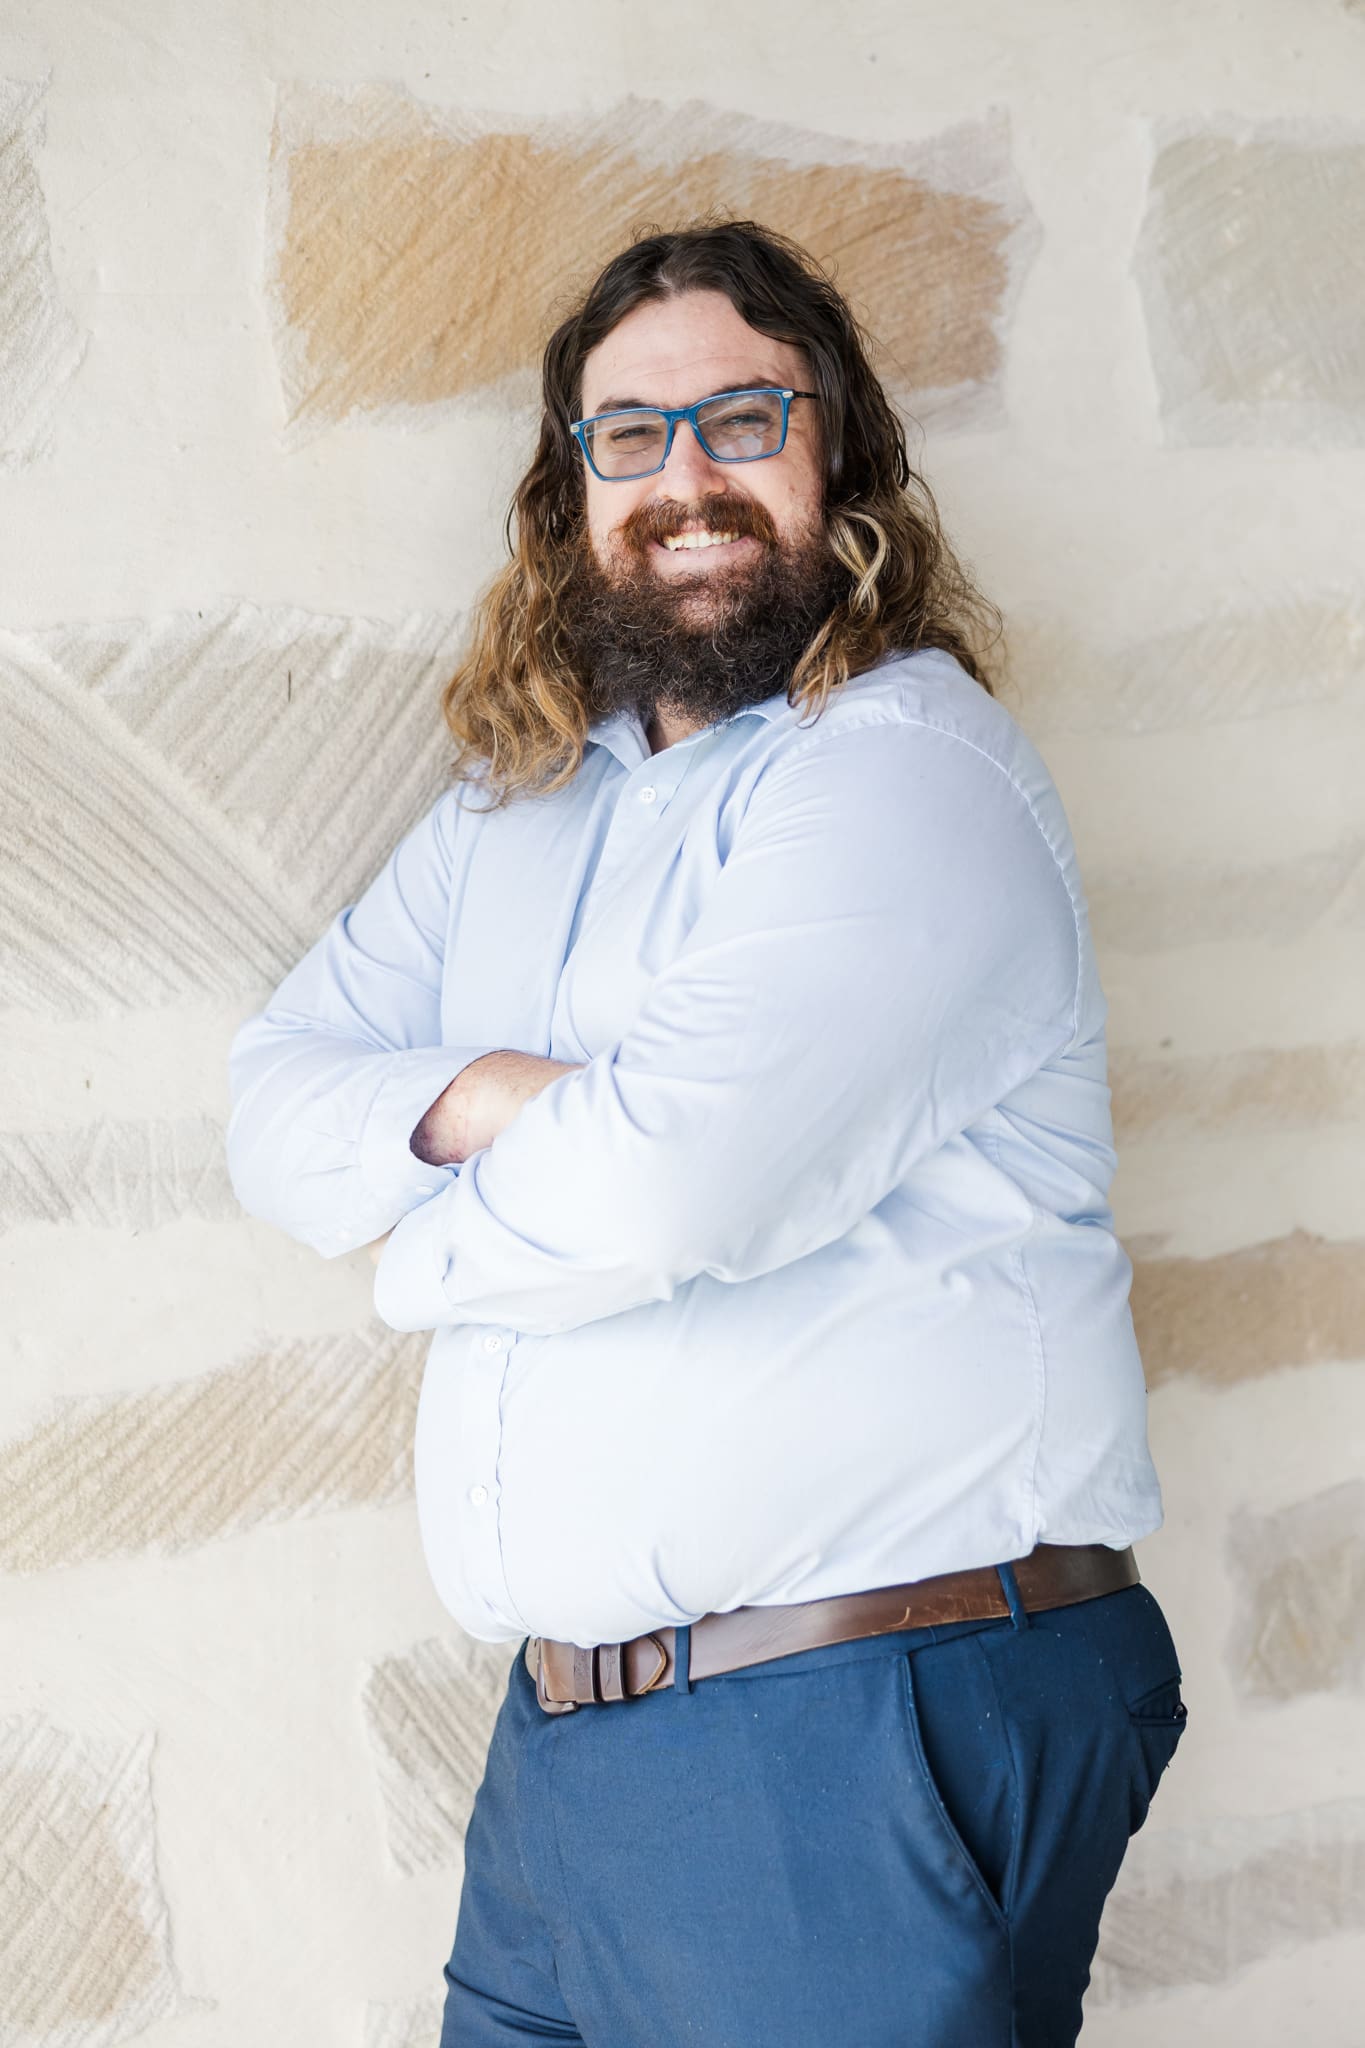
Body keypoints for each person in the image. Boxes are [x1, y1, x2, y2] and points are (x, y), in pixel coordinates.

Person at [226, 219, 1187, 2046]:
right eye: (629, 435)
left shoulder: (908, 769)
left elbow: (668, 1189)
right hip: (574, 1756)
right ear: (567, 488)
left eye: (744, 419)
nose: (686, 479)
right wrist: (514, 1107)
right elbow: (273, 1107)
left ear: (844, 464)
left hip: (846, 1712)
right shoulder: (516, 812)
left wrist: (416, 1248)